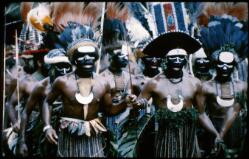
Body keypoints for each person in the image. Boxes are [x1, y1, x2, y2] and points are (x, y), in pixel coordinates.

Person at [41, 2, 135, 157]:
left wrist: (126, 102)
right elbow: (47, 102)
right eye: (82, 55)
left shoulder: (103, 82)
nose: (87, 58)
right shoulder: (63, 82)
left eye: (91, 55)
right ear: (74, 59)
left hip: (93, 139)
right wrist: (47, 127)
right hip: (68, 139)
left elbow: (109, 110)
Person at [131, 31, 223, 158]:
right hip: (165, 136)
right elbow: (139, 103)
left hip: (189, 137)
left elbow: (201, 114)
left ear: (186, 60)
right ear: (165, 60)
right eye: (173, 58)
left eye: (181, 58)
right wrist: (136, 102)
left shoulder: (194, 83)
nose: (177, 61)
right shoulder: (154, 83)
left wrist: (216, 134)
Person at [199, 15, 248, 158]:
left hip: (236, 130)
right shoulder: (206, 87)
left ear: (234, 66)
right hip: (212, 127)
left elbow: (239, 109)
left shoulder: (242, 86)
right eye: (221, 64)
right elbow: (201, 114)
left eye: (229, 65)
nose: (225, 68)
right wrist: (216, 134)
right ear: (215, 64)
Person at [16, 49, 72, 157]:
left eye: (67, 66)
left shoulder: (73, 84)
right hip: (44, 130)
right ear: (50, 68)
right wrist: (21, 140)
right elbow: (26, 112)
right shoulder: (42, 87)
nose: (64, 71)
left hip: (68, 131)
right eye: (60, 66)